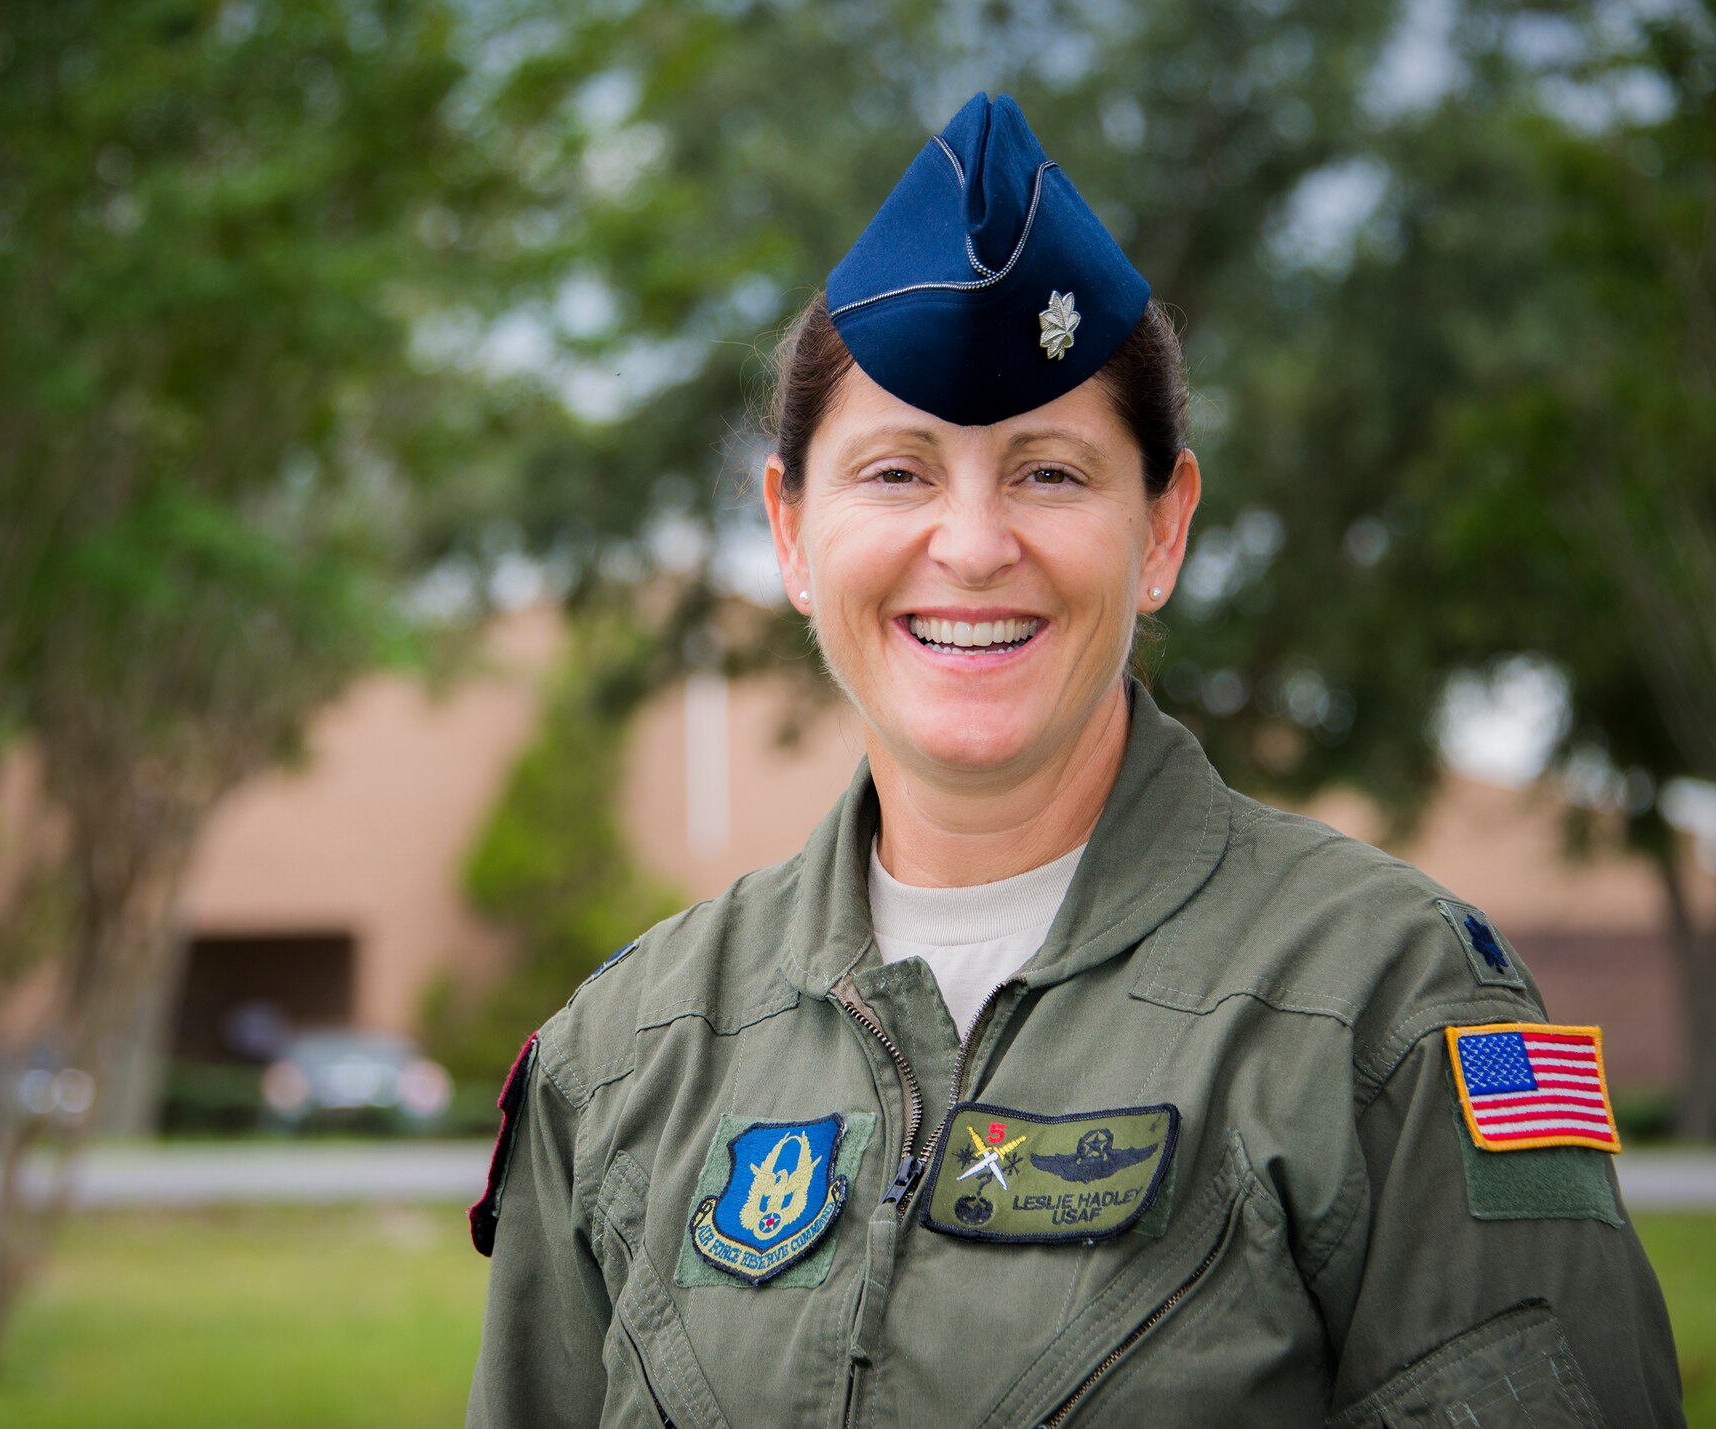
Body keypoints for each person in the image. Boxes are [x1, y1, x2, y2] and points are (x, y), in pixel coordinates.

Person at [465, 92, 1684, 1427]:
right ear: (791, 530)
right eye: (897, 473)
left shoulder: (1388, 1012)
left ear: (1162, 529)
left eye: (1049, 472)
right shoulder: (628, 1056)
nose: (975, 545)